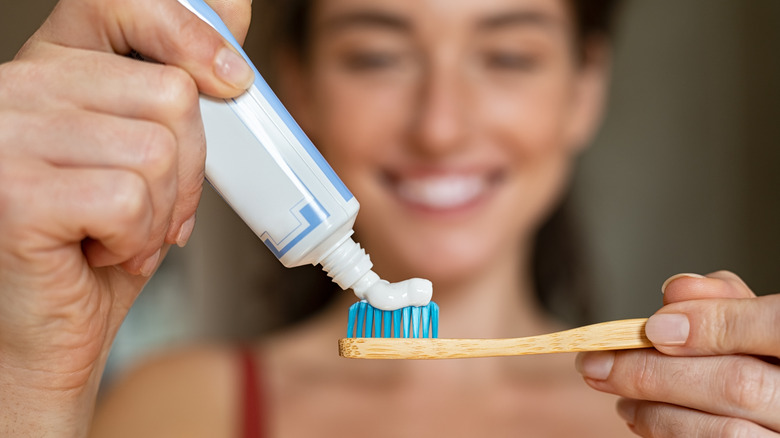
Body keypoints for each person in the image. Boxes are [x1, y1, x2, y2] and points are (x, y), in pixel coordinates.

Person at [0, 0, 778, 437]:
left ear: (584, 88)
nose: (440, 126)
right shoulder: (180, 409)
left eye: (508, 56)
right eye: (376, 56)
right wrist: (32, 378)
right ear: (292, 87)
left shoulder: (687, 420)